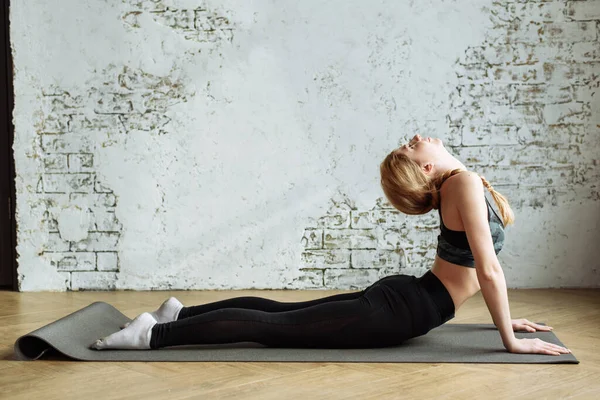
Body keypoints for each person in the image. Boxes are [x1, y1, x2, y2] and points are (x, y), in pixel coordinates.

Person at [91, 134, 571, 356]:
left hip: (409, 299)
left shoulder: (458, 182)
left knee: (277, 315)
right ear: (427, 169)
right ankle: (156, 333)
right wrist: (510, 340)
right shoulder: (461, 182)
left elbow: (476, 268)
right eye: (413, 146)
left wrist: (506, 317)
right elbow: (486, 270)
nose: (418, 138)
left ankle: (179, 314)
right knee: (271, 326)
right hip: (404, 308)